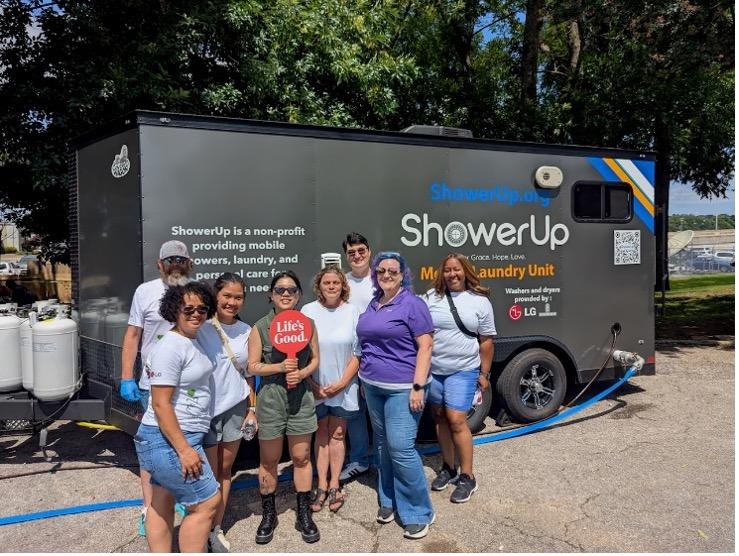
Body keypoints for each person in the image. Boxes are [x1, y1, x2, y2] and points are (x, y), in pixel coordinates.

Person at [133, 281, 220, 553]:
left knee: (160, 501)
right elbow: (160, 404)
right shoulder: (171, 346)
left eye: (202, 309)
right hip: (171, 439)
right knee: (207, 503)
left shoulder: (188, 340)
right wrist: (183, 449)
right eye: (188, 308)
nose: (196, 314)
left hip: (168, 437)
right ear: (174, 310)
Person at [356, 251, 435, 540]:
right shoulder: (374, 304)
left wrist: (417, 386)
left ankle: (418, 511)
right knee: (381, 444)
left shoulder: (413, 304)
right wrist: (365, 380)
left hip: (403, 389)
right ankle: (388, 499)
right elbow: (368, 345)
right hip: (373, 386)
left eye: (392, 270)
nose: (386, 275)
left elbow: (425, 347)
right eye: (381, 271)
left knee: (401, 448)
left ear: (403, 274)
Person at [120, 240, 193, 535]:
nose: (175, 264)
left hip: (189, 386)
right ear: (159, 265)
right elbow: (133, 336)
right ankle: (148, 509)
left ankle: (181, 501)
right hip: (152, 385)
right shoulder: (145, 292)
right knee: (152, 449)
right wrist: (127, 376)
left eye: (181, 259)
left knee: (185, 444)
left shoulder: (197, 291)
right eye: (169, 260)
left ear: (189, 263)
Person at [247, 271, 321, 544]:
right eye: (280, 290)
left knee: (301, 457)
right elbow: (252, 365)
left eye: (291, 289)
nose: (286, 294)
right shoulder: (259, 327)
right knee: (269, 461)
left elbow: (315, 359)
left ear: (299, 294)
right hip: (271, 399)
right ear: (271, 294)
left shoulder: (308, 324)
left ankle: (304, 514)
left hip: (300, 398)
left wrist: (302, 374)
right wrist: (279, 367)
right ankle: (270, 514)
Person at [423, 253, 496, 503]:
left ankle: (468, 476)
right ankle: (448, 467)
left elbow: (486, 341)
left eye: (456, 269)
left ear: (465, 271)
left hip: (463, 370)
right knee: (440, 416)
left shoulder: (479, 302)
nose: (452, 274)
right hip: (434, 370)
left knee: (456, 419)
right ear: (441, 273)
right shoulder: (431, 298)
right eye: (447, 270)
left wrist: (484, 373)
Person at [197, 273, 256, 552]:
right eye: (227, 296)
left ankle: (215, 528)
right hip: (204, 411)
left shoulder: (247, 331)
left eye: (238, 297)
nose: (232, 302)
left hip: (235, 408)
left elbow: (250, 374)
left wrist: (251, 409)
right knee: (206, 473)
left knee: (224, 470)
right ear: (216, 296)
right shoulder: (201, 327)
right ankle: (200, 524)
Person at [301, 266, 361, 513]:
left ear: (343, 286)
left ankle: (335, 483)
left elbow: (359, 352)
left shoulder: (353, 311)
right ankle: (321, 484)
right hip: (316, 387)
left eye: (336, 282)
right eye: (327, 282)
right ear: (319, 285)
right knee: (321, 435)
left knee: (337, 435)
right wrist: (312, 384)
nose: (332, 286)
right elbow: (301, 352)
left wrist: (343, 382)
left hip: (343, 386)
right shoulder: (307, 311)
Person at [339, 232, 373, 482]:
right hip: (351, 355)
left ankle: (387, 460)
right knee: (355, 412)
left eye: (361, 250)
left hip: (377, 356)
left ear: (369, 251)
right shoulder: (343, 283)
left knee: (382, 412)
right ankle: (360, 460)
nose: (357, 256)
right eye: (352, 252)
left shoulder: (381, 279)